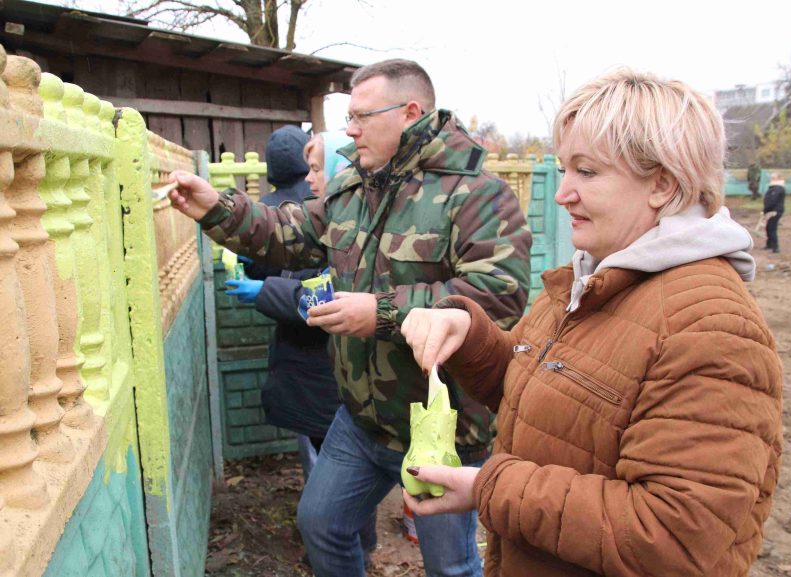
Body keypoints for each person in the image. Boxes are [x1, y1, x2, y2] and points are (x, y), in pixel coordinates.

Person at [400, 69, 783, 577]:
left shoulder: (711, 327)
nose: (563, 193)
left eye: (587, 171)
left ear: (662, 184)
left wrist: (490, 488)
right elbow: (547, 399)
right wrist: (471, 338)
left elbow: (672, 537)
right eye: (565, 169)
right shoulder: (595, 278)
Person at [168, 59, 532, 577]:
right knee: (321, 525)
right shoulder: (354, 188)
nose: (351, 129)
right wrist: (215, 208)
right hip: (362, 419)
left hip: (441, 425)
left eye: (362, 116)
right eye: (349, 117)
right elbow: (285, 232)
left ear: (410, 112)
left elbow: (498, 296)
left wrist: (380, 313)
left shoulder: (477, 194)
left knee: (449, 566)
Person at [224, 127, 378, 567]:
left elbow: (324, 296)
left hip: (331, 372)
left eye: (317, 169)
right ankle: (344, 543)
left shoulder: (353, 226)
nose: (309, 179)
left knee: (341, 470)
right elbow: (297, 268)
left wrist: (264, 292)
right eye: (307, 168)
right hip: (321, 371)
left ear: (340, 170)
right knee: (332, 463)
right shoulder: (324, 217)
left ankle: (352, 546)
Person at [763, 172, 786, 253]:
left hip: (775, 211)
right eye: (771, 177)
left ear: (778, 178)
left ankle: (775, 247)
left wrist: (766, 210)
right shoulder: (773, 187)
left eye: (773, 177)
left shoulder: (778, 188)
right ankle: (769, 244)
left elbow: (772, 200)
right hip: (771, 210)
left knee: (772, 228)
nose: (771, 179)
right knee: (768, 227)